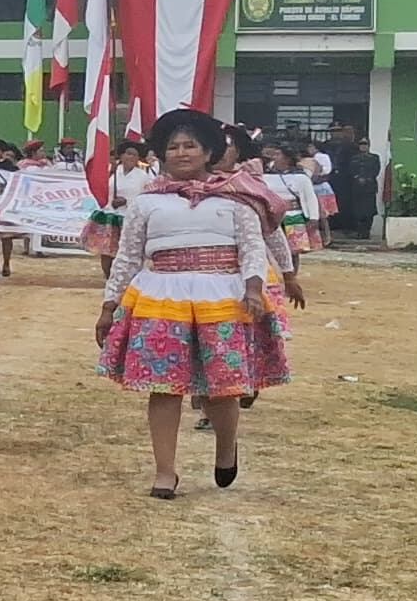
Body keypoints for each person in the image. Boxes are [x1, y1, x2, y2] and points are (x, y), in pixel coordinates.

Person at [94, 106, 286, 500]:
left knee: (223, 387)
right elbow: (127, 256)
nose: (181, 153)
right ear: (162, 154)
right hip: (161, 298)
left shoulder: (238, 198)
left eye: (190, 146)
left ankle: (226, 447)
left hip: (222, 298)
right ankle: (165, 472)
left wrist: (253, 289)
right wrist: (109, 305)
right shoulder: (147, 203)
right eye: (173, 147)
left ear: (208, 152)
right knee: (163, 387)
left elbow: (252, 248)